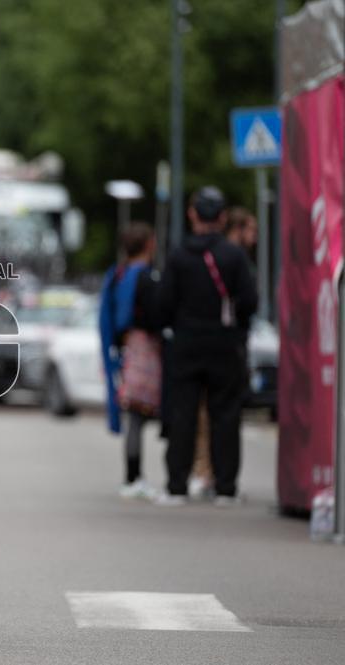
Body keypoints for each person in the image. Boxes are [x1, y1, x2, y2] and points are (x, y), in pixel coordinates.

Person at [157, 187, 258, 506]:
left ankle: (177, 485)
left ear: (192, 214)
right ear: (223, 217)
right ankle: (225, 487)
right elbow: (251, 301)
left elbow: (163, 303)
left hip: (186, 342)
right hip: (224, 343)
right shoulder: (234, 255)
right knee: (225, 414)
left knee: (183, 413)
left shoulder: (178, 255)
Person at [98, 222, 162, 500]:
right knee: (138, 414)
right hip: (146, 350)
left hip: (125, 351)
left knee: (133, 414)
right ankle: (134, 477)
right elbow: (157, 315)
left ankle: (132, 476)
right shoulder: (146, 277)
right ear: (148, 244)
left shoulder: (117, 275)